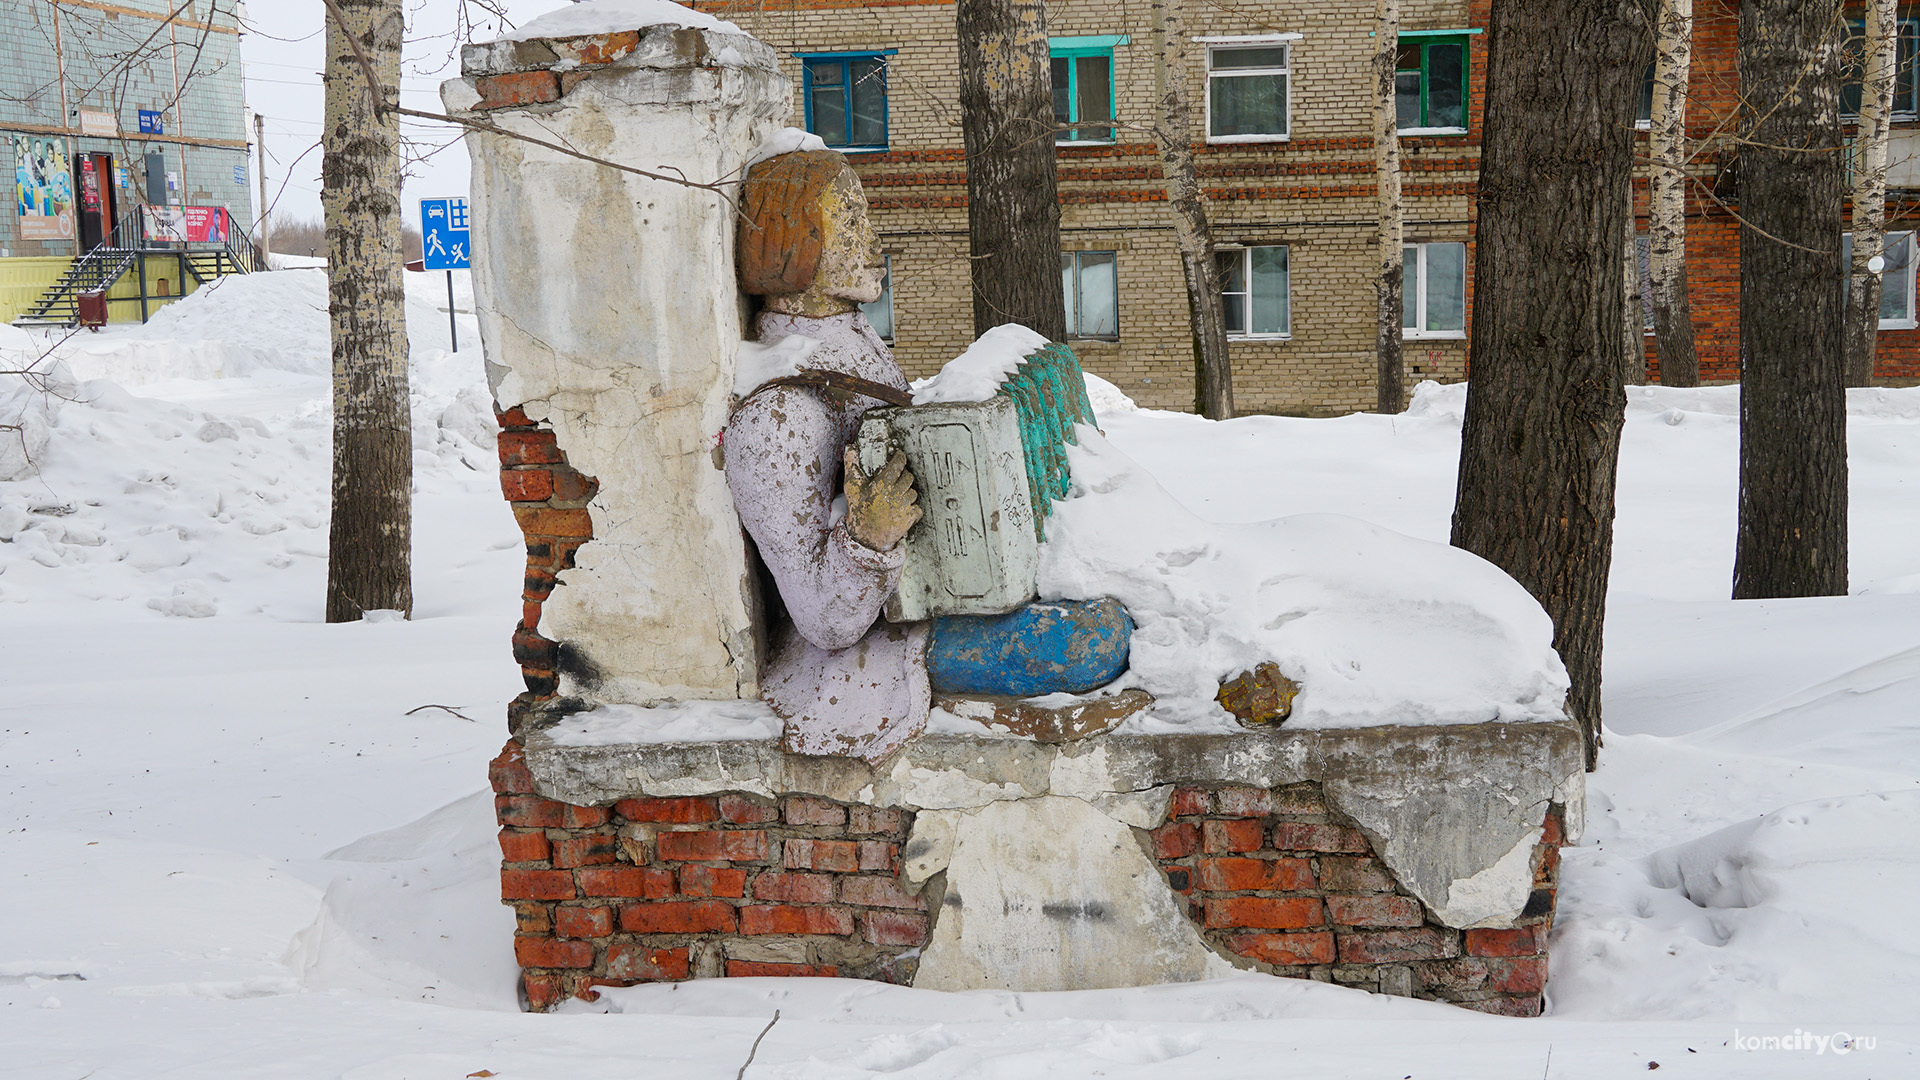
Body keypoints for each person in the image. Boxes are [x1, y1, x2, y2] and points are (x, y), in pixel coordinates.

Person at [727, 150, 928, 762]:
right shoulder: (777, 416)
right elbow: (825, 620)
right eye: (850, 221)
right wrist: (868, 538)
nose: (874, 239)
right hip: (882, 651)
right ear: (794, 241)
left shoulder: (845, 337)